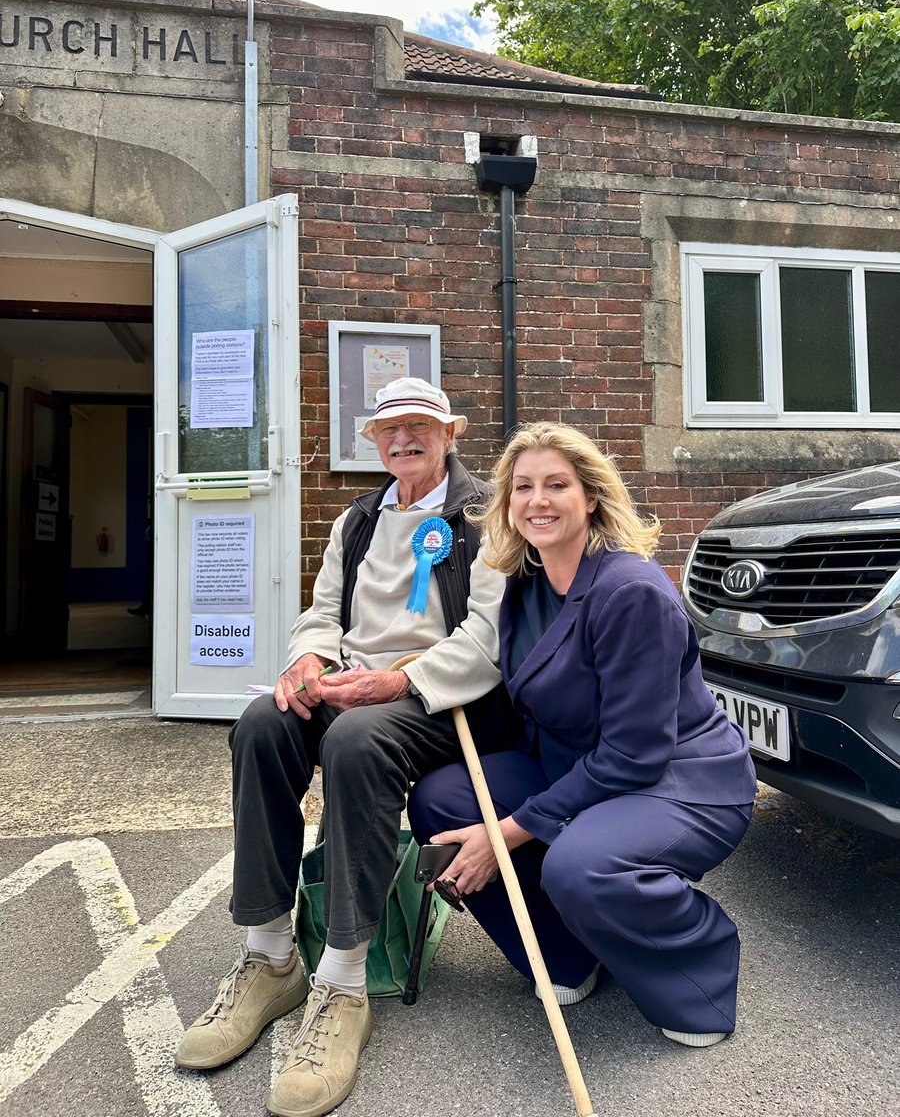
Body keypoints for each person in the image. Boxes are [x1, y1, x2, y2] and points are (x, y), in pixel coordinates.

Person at [175, 377, 508, 1117]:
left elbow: (486, 636)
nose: (403, 440)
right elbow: (322, 613)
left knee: (356, 740)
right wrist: (306, 660)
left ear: (449, 434)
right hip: (353, 687)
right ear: (375, 442)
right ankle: (270, 958)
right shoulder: (357, 520)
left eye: (420, 427)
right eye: (389, 431)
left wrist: (399, 680)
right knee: (263, 721)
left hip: (435, 699)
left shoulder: (485, 515)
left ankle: (344, 983)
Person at [409, 421, 757, 1044]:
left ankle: (698, 971)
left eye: (556, 485)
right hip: (579, 768)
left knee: (579, 866)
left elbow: (634, 753)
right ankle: (566, 956)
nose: (536, 500)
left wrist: (508, 832)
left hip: (679, 779)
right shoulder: (525, 583)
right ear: (507, 503)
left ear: (591, 497)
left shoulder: (631, 592)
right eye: (522, 487)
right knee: (442, 800)